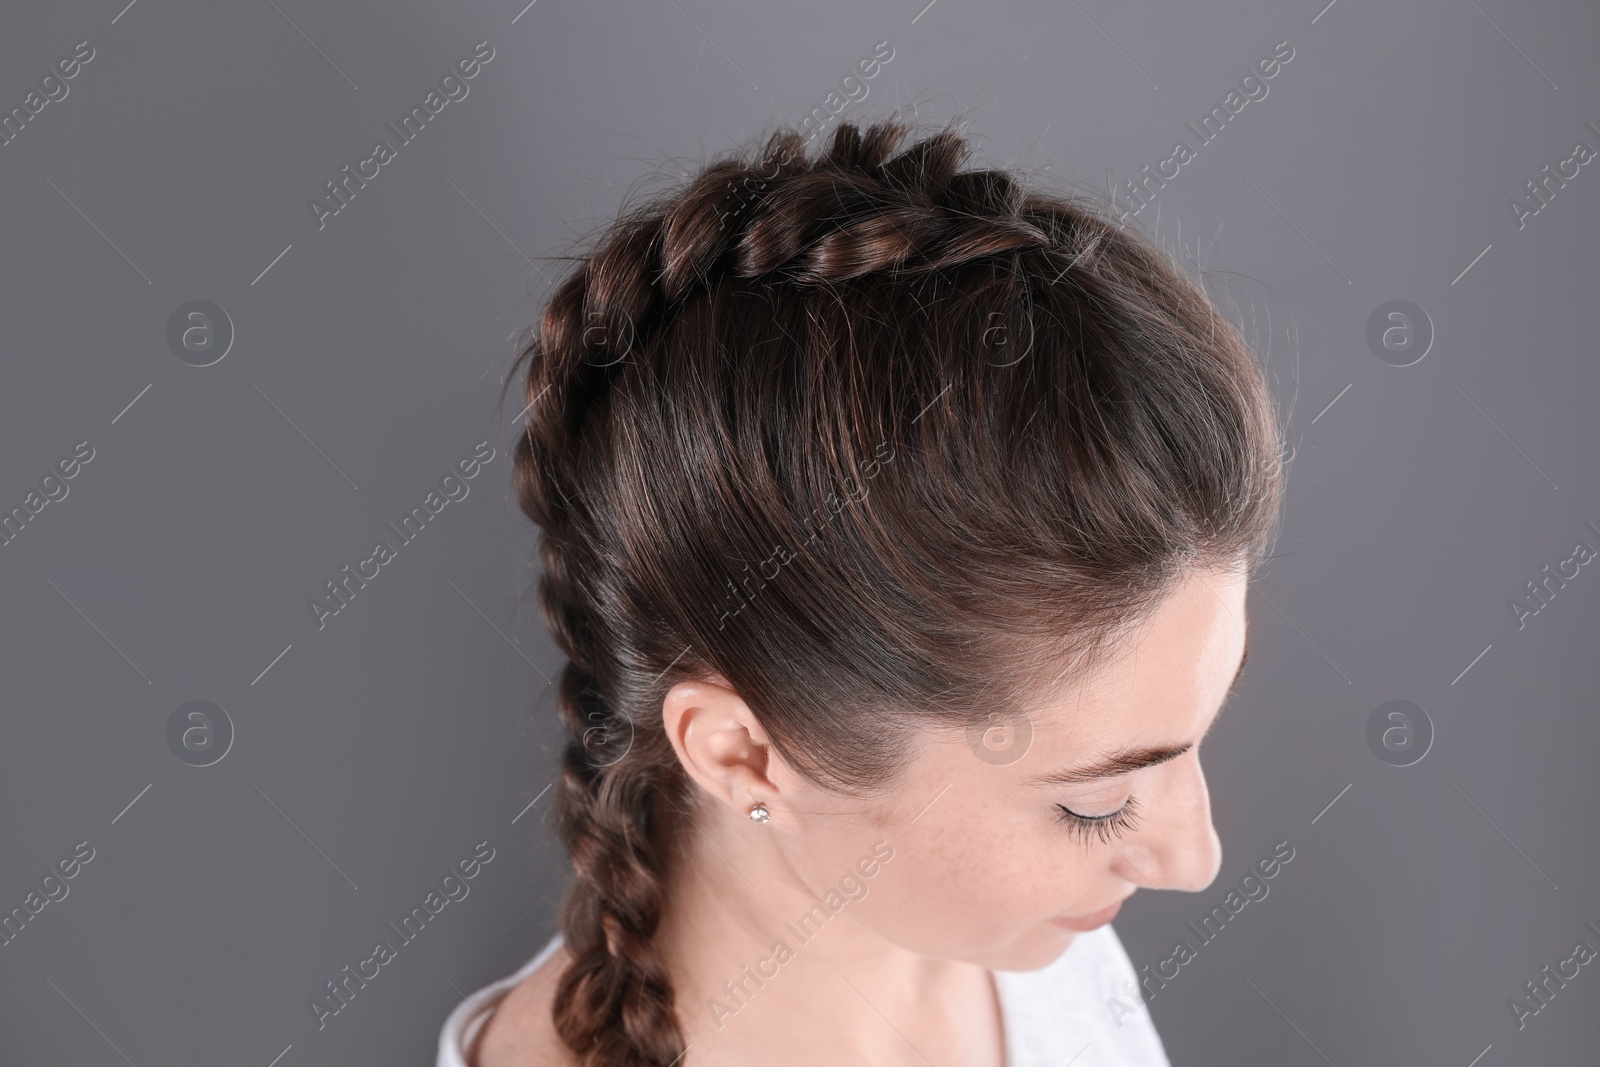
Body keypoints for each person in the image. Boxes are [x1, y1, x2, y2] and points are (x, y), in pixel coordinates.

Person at [437, 114, 1286, 1067]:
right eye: (1095, 804)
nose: (1196, 856)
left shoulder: (1034, 950)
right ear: (747, 755)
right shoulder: (1013, 918)